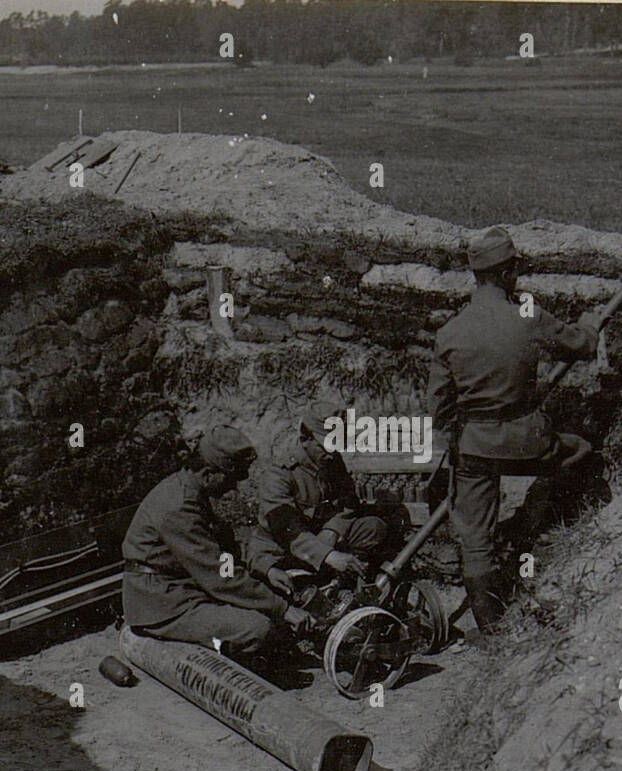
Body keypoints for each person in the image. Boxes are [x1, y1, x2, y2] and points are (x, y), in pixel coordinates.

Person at [429, 225, 600, 638]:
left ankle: (490, 629)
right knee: (580, 452)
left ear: (475, 275)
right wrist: (591, 324)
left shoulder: (449, 334)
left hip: (475, 447)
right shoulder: (528, 315)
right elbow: (583, 346)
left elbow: (438, 408)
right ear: (510, 272)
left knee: (475, 538)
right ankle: (534, 528)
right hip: (529, 442)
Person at [120, 425, 311, 663]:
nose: (233, 487)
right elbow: (219, 577)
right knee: (256, 628)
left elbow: (227, 551)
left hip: (179, 588)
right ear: (209, 473)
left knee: (264, 605)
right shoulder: (179, 507)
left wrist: (267, 570)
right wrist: (282, 609)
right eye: (230, 479)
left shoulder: (189, 491)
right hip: (161, 604)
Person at [245, 401, 393, 583]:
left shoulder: (331, 461)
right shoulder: (279, 473)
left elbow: (348, 502)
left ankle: (343, 577)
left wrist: (333, 530)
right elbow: (287, 530)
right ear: (305, 438)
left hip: (321, 538)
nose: (333, 453)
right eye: (327, 446)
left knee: (372, 527)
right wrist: (328, 555)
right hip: (283, 547)